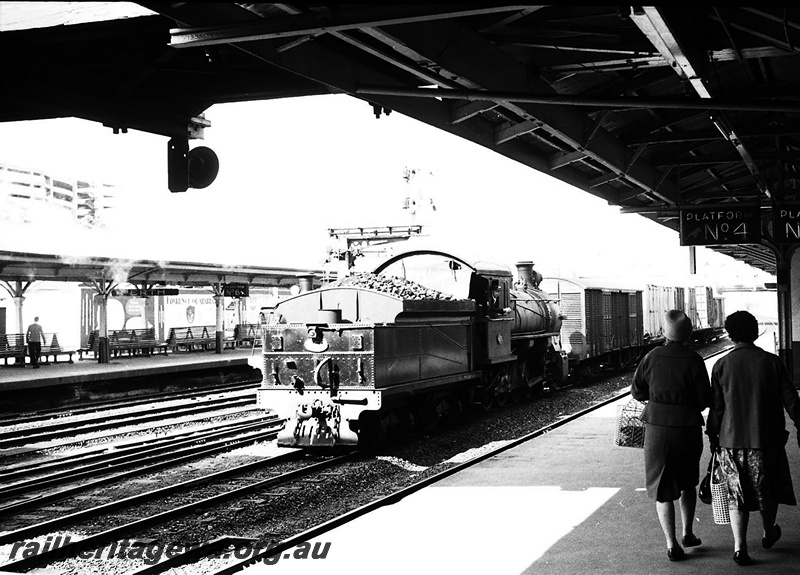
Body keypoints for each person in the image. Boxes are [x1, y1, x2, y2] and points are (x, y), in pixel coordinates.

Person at [706, 310, 800, 566]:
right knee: (766, 491)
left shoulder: (722, 365)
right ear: (755, 330)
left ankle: (739, 547)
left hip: (731, 443)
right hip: (766, 442)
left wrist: (712, 435)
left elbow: (717, 408)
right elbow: (791, 398)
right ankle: (769, 532)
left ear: (730, 334)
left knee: (737, 495)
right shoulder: (772, 362)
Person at [631, 309, 711, 562]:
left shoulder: (651, 356)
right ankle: (688, 533)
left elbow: (637, 391)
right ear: (687, 334)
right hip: (687, 427)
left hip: (657, 428)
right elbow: (704, 400)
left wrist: (656, 400)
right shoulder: (694, 360)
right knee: (688, 480)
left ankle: (671, 543)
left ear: (664, 332)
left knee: (661, 485)